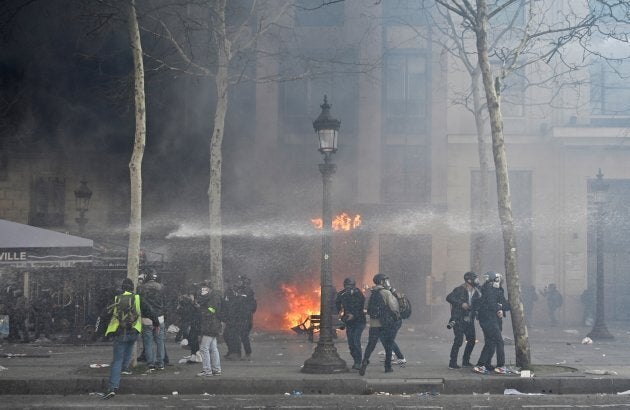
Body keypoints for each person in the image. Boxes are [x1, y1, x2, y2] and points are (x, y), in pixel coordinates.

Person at [103, 277, 158, 400]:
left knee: (117, 359)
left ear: (122, 288)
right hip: (134, 331)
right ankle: (126, 368)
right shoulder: (138, 298)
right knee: (129, 346)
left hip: (119, 332)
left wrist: (103, 332)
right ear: (132, 288)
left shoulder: (116, 299)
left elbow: (106, 314)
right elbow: (150, 311)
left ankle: (112, 387)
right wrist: (156, 324)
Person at [359, 273, 400, 376]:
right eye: (385, 280)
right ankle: (387, 367)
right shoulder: (386, 292)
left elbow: (366, 308)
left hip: (374, 324)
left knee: (371, 345)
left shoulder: (371, 293)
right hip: (385, 324)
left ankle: (364, 362)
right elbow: (393, 307)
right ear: (382, 281)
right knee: (388, 345)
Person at [473, 271, 510, 375]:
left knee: (490, 342)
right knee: (499, 342)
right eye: (498, 279)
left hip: (490, 320)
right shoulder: (488, 289)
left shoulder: (497, 290)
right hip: (489, 320)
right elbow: (491, 304)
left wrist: (501, 308)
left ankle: (481, 365)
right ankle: (500, 366)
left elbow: (506, 305)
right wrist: (499, 307)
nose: (499, 281)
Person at [446, 271, 481, 369]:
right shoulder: (459, 290)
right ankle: (452, 363)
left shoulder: (477, 291)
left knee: (471, 341)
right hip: (459, 319)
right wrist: (461, 304)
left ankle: (466, 361)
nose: (477, 280)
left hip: (469, 320)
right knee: (458, 341)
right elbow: (449, 298)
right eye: (474, 278)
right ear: (469, 280)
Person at [221, 275, 257, 360]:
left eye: (240, 281)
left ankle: (247, 354)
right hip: (238, 317)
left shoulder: (247, 291)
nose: (238, 283)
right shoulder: (236, 291)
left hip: (245, 318)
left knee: (243, 336)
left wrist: (245, 313)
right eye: (238, 281)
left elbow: (249, 306)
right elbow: (232, 304)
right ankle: (235, 353)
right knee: (232, 335)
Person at [335, 277, 366, 370]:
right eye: (346, 286)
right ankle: (356, 360)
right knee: (351, 344)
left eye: (350, 286)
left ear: (354, 286)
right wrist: (340, 313)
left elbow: (360, 308)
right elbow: (337, 303)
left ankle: (358, 362)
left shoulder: (359, 294)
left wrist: (354, 315)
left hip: (359, 321)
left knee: (356, 341)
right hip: (349, 322)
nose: (348, 288)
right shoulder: (343, 294)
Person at [138, 269, 167, 370]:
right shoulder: (162, 287)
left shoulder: (141, 288)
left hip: (146, 318)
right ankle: (160, 363)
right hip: (159, 317)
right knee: (160, 341)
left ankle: (150, 363)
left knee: (148, 342)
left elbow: (140, 303)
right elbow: (165, 302)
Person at [196, 281, 223, 376]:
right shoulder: (211, 296)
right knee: (213, 348)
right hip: (212, 325)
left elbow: (213, 309)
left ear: (209, 288)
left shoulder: (214, 297)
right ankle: (216, 369)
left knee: (204, 348)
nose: (202, 290)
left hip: (211, 325)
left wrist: (203, 309)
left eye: (204, 288)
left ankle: (207, 370)